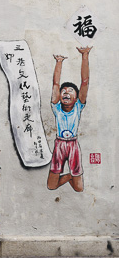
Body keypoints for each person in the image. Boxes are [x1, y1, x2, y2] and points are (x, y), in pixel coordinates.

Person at [47, 46, 92, 192]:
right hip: (59, 144)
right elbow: (55, 84)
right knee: (51, 186)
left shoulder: (79, 106)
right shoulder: (56, 107)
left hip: (73, 145)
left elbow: (85, 82)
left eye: (70, 90)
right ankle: (69, 176)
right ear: (59, 96)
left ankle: (73, 176)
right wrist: (59, 62)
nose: (66, 92)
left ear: (77, 97)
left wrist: (85, 55)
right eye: (63, 91)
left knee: (79, 189)